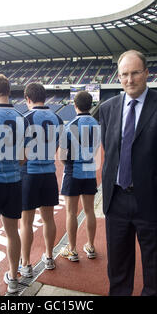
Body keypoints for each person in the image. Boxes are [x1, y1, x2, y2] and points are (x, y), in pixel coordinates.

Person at [99, 49, 157, 296]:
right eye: (124, 74)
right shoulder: (107, 108)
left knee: (154, 267)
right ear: (118, 76)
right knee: (117, 266)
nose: (130, 79)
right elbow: (109, 148)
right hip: (116, 199)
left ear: (147, 73)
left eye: (135, 73)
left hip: (152, 201)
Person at [0, 74, 29, 294]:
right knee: (13, 233)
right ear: (9, 91)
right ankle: (13, 277)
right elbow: (23, 158)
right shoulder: (22, 117)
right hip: (14, 181)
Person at [19, 83, 63, 276]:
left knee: (26, 222)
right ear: (44, 97)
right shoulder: (58, 118)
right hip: (48, 173)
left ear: (27, 99)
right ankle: (49, 257)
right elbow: (56, 148)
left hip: (29, 174)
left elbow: (21, 153)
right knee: (48, 218)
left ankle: (26, 264)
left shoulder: (25, 118)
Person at [59, 91, 100, 262]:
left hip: (73, 171)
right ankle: (90, 246)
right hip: (89, 170)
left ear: (75, 105)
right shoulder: (97, 125)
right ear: (91, 105)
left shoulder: (70, 125)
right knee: (89, 210)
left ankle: (72, 249)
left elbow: (62, 155)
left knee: (71, 212)